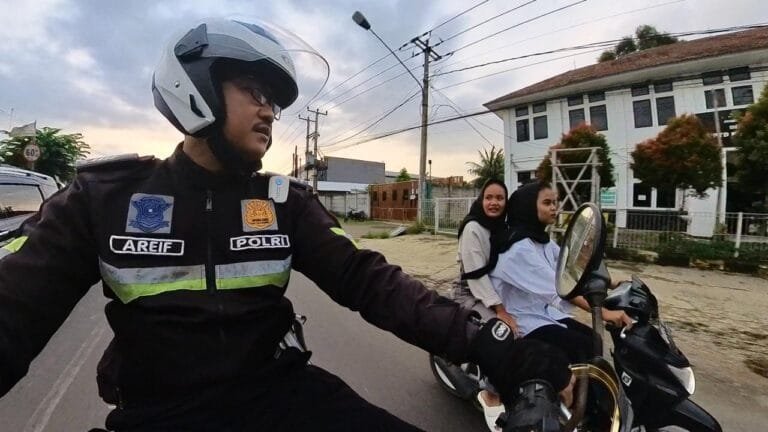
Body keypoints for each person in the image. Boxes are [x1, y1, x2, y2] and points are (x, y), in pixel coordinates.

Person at [0, 18, 572, 431]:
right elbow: (15, 308)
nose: (271, 111)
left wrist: (495, 346)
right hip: (160, 413)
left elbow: (371, 281)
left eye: (275, 99)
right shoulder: (102, 197)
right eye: (255, 91)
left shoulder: (282, 200)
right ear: (194, 85)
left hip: (282, 397)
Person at [489, 181, 632, 364]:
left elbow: (572, 265)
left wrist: (612, 282)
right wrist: (604, 313)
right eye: (547, 203)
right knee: (583, 347)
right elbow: (560, 289)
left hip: (543, 311)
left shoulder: (541, 240)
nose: (554, 208)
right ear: (528, 206)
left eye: (555, 202)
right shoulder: (518, 249)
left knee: (592, 339)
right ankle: (566, 390)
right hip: (522, 319)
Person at [455, 179, 516, 431]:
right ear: (481, 200)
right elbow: (476, 277)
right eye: (488, 197)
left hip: (493, 292)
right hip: (469, 293)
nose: (494, 203)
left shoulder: (501, 228)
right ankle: (490, 395)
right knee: (502, 335)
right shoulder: (473, 228)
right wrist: (501, 311)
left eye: (500, 198)